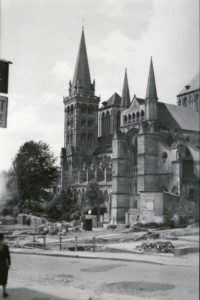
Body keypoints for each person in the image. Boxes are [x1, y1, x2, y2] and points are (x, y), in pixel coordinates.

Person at [0, 233, 11, 298]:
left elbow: (8, 257)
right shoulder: (5, 247)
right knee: (2, 278)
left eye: (2, 239)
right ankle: (4, 292)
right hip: (2, 265)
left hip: (4, 265)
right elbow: (8, 257)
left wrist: (9, 264)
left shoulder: (6, 247)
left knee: (4, 278)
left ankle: (4, 292)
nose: (2, 241)